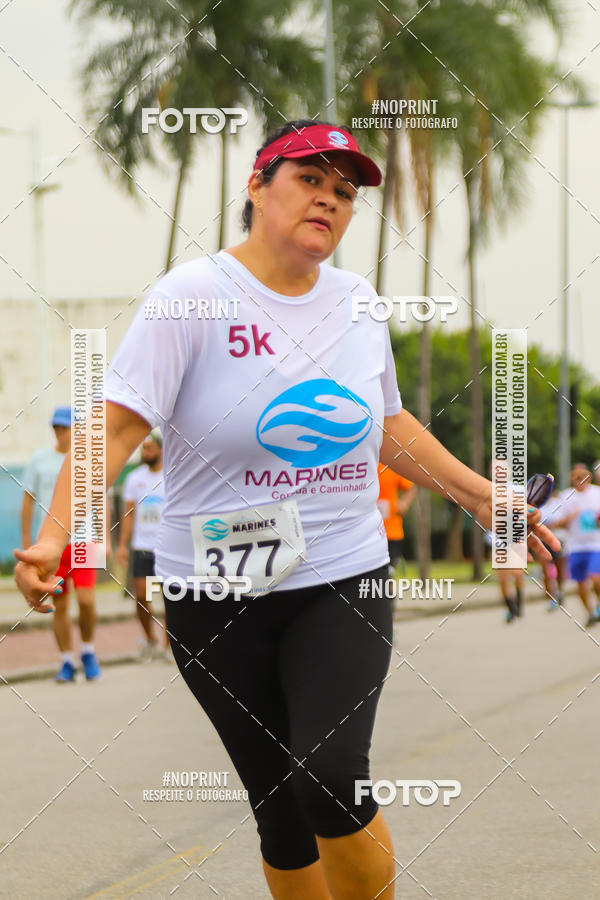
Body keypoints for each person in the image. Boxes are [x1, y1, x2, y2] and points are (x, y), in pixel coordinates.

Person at [13, 119, 559, 900]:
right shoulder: (189, 299)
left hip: (341, 574)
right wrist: (53, 538)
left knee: (330, 778)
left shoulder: (357, 303)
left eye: (344, 193)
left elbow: (386, 427)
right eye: (309, 180)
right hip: (210, 594)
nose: (329, 201)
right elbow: (114, 430)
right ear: (256, 187)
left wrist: (480, 495)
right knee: (279, 806)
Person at [20, 406, 101, 682]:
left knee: (87, 600)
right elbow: (28, 501)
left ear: (77, 429)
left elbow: (101, 501)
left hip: (84, 541)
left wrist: (106, 538)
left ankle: (88, 651)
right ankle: (67, 661)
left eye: (65, 427)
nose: (60, 432)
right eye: (56, 427)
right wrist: (27, 542)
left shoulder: (88, 459)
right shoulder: (40, 459)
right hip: (52, 545)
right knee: (61, 605)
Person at [117, 431, 169, 659]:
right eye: (143, 448)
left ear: (160, 450)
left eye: (149, 448)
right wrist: (122, 545)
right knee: (141, 595)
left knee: (171, 598)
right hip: (142, 547)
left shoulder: (171, 477)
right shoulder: (134, 478)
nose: (144, 452)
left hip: (167, 547)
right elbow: (128, 513)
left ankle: (169, 646)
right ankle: (150, 639)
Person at [552, 463, 600, 627]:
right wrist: (570, 517)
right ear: (572, 479)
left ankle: (598, 606)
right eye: (576, 477)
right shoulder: (566, 496)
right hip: (576, 547)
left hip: (595, 545)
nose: (580, 480)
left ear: (589, 477)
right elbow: (557, 522)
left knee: (596, 578)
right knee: (581, 582)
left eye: (583, 477)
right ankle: (590, 612)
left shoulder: (597, 493)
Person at [376, 463, 416, 573]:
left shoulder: (390, 466)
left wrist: (405, 503)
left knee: (388, 570)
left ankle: (388, 588)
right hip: (368, 531)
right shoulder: (363, 465)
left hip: (391, 531)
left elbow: (411, 487)